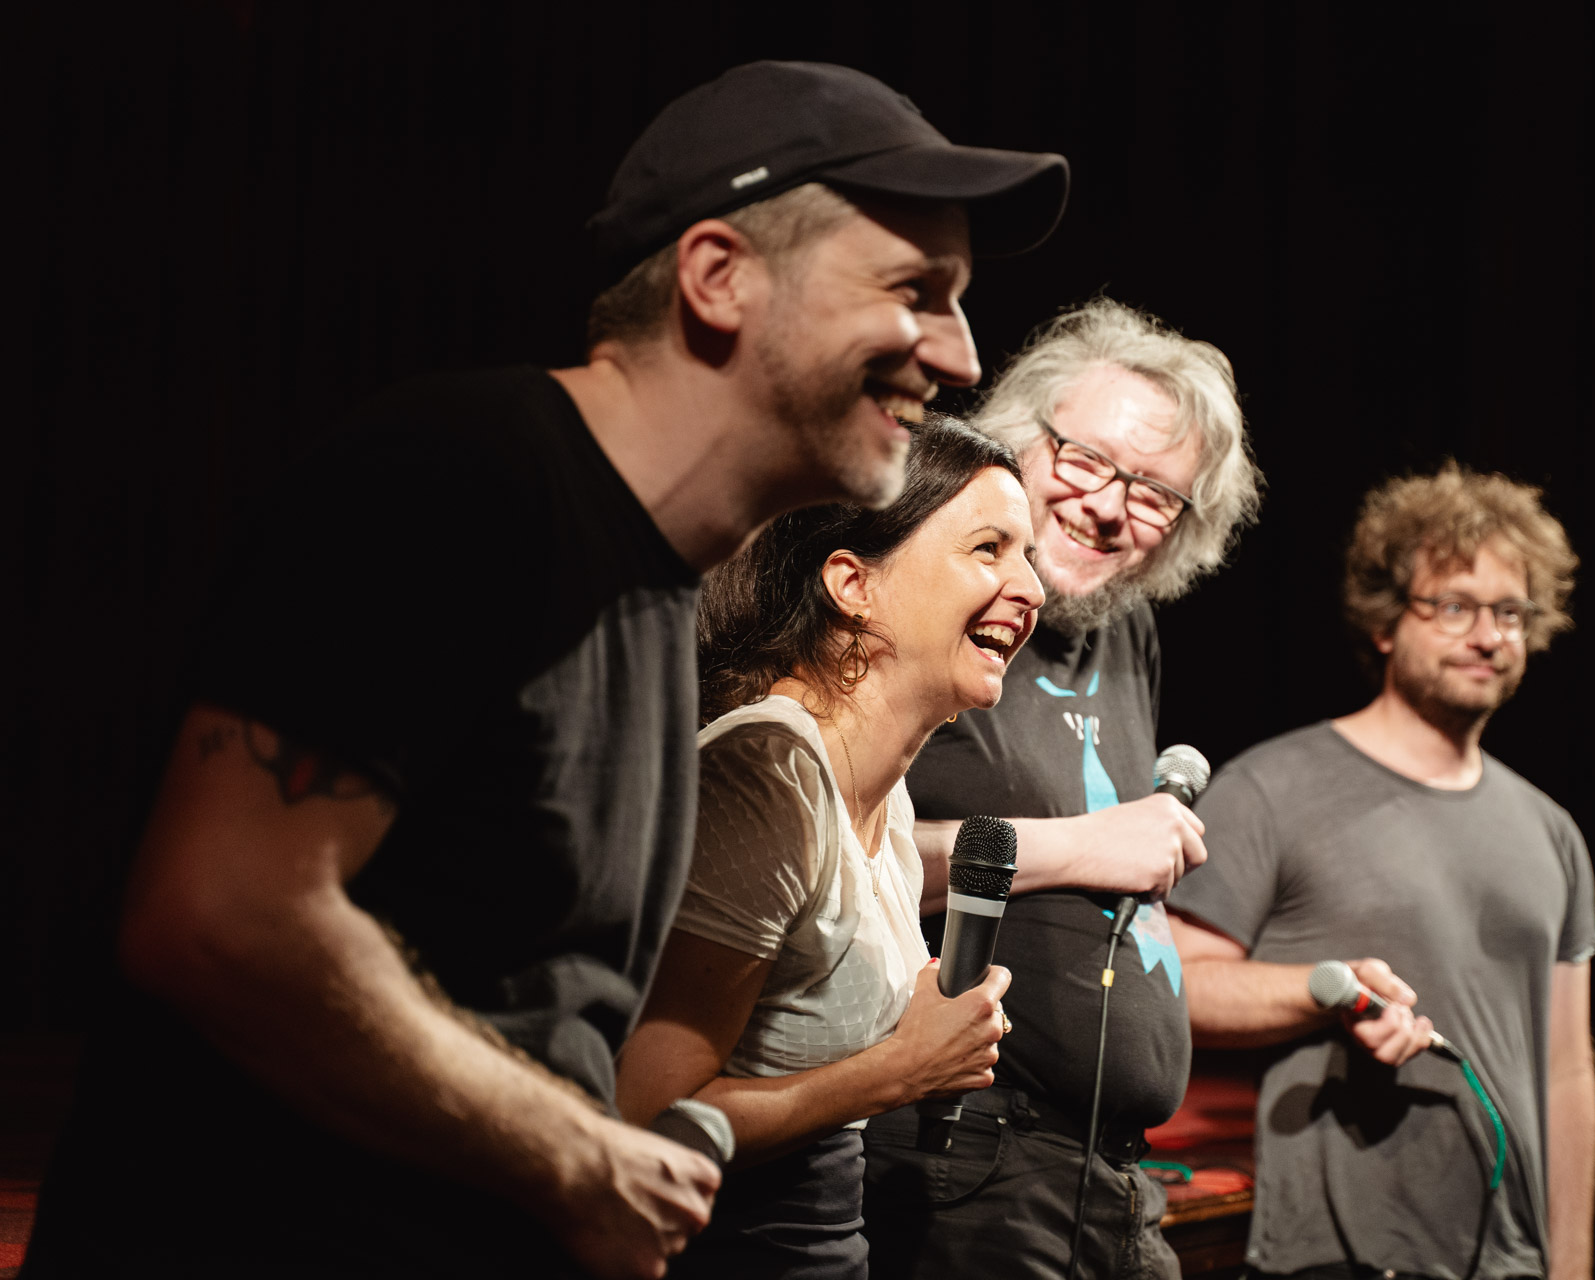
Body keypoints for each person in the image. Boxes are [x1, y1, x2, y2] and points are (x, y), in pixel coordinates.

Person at [23, 62, 1066, 1280]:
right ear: (718, 277)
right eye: (914, 291)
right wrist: (577, 1154)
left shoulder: (653, 585)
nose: (959, 352)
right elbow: (221, 914)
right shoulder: (462, 477)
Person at [862, 298, 1263, 1279]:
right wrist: (1085, 846)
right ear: (1016, 439)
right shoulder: (926, 592)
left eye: (1156, 494)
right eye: (1085, 460)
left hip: (1116, 1173)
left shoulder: (1127, 631)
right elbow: (832, 856)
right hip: (963, 1154)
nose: (1111, 506)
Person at [617, 416, 1042, 1278]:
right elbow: (645, 1116)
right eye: (989, 549)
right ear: (853, 583)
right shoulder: (766, 777)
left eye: (1028, 556)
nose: (1031, 587)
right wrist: (903, 1068)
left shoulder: (886, 794)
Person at [1168, 461, 1595, 1280]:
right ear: (1385, 622)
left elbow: (1568, 1072)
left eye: (1509, 612)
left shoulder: (1553, 831)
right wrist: (1328, 994)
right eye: (1455, 607)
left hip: (1509, 1254)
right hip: (1339, 1256)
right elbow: (1175, 985)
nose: (1488, 636)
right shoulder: (1271, 788)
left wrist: (1571, 1263)